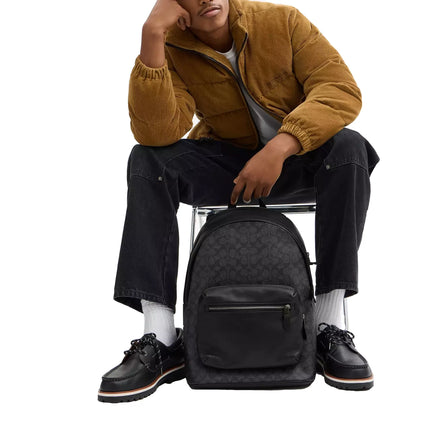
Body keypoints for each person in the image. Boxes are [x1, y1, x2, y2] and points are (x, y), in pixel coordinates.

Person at [97, 0, 380, 403]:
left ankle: (326, 328)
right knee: (147, 160)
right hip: (231, 169)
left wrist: (280, 147)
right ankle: (160, 340)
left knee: (350, 148)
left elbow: (340, 90)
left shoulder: (282, 21)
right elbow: (156, 133)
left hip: (302, 162)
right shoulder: (174, 47)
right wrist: (152, 37)